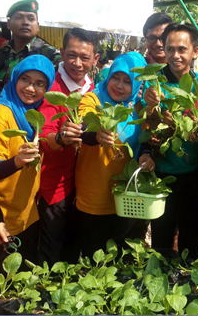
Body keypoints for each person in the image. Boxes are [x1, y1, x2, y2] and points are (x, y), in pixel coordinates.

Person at [74, 52, 153, 259]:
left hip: (126, 193)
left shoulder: (137, 106)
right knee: (95, 256)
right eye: (116, 78)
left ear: (137, 84)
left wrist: (145, 154)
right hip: (95, 194)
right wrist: (95, 132)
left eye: (128, 81)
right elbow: (82, 124)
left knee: (123, 257)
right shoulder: (93, 98)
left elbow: (144, 138)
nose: (119, 85)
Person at [0, 55, 55, 284]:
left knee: (19, 283)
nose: (31, 88)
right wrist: (17, 161)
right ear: (15, 77)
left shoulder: (35, 117)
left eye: (40, 84)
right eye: (25, 79)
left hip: (27, 215)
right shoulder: (1, 113)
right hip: (0, 219)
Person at [37, 28, 99, 265]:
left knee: (73, 247)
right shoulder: (50, 88)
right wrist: (61, 139)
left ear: (95, 60)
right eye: (71, 55)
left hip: (83, 185)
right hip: (55, 185)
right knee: (51, 248)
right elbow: (44, 137)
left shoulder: (93, 89)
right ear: (61, 53)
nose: (77, 63)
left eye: (85, 58)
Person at [142, 23, 198, 259]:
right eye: (170, 49)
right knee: (162, 232)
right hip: (163, 170)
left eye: (182, 49)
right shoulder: (153, 82)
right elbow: (146, 128)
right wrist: (149, 109)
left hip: (195, 172)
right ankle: (160, 281)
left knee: (192, 232)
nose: (175, 56)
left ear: (195, 52)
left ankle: (193, 281)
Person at [0, 0, 60, 107]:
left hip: (30, 120)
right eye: (19, 17)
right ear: (8, 23)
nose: (25, 22)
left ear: (38, 26)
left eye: (31, 19)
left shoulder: (50, 54)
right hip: (0, 116)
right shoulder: (2, 52)